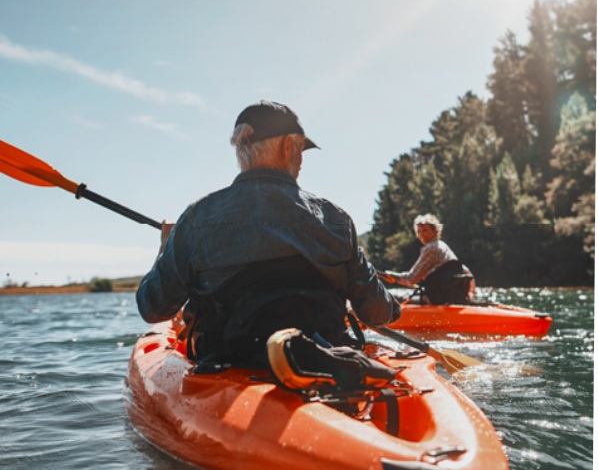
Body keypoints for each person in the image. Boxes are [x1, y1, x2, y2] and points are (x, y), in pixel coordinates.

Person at [136, 100, 401, 370]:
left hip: (228, 366)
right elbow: (377, 313)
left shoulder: (196, 218)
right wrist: (394, 306)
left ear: (241, 150)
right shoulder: (335, 219)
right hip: (324, 365)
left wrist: (165, 248)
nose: (300, 160)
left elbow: (153, 308)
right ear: (288, 146)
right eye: (301, 150)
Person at [387, 214, 475, 304]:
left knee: (393, 298)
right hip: (453, 297)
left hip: (438, 298)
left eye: (425, 230)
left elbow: (411, 279)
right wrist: (470, 294)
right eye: (419, 232)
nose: (421, 234)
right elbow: (466, 271)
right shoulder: (443, 246)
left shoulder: (431, 248)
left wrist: (392, 276)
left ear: (435, 231)